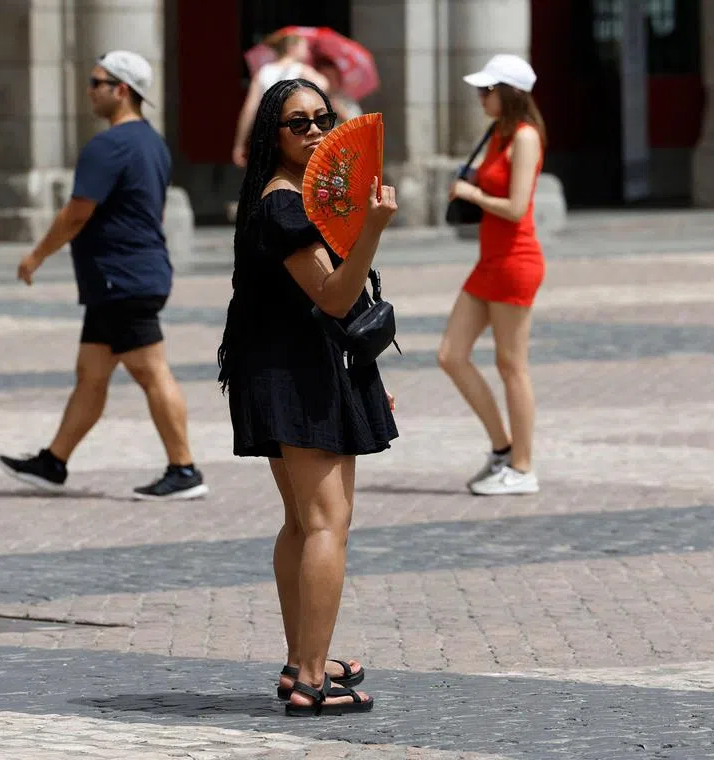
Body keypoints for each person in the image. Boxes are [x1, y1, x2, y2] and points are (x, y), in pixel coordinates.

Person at [217, 78, 398, 715]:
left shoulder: (292, 199)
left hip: (291, 365)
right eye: (299, 123)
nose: (316, 130)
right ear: (273, 133)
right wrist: (373, 227)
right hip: (295, 374)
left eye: (324, 117)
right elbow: (336, 297)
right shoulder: (284, 206)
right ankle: (314, 683)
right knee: (328, 523)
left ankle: (302, 659)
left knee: (301, 521)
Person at [0, 50, 207, 502]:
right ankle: (54, 462)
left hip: (122, 277)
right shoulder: (153, 143)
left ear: (122, 89)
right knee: (91, 372)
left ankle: (184, 469)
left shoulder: (109, 146)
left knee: (151, 371)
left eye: (97, 82)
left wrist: (35, 256)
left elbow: (77, 213)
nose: (90, 91)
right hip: (129, 274)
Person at [441, 54, 546, 496]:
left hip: (516, 260)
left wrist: (471, 192)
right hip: (489, 260)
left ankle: (523, 467)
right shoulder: (499, 134)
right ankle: (502, 448)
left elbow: (517, 207)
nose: (480, 97)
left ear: (510, 93)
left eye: (487, 90)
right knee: (450, 354)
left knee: (512, 366)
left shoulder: (524, 136)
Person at [232, 35, 328, 168]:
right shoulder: (301, 69)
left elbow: (249, 110)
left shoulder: (263, 71)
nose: (308, 52)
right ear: (292, 48)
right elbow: (324, 85)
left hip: (268, 134)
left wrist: (239, 144)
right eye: (305, 47)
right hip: (294, 134)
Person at [314, 57, 362, 122]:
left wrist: (342, 114)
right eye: (325, 77)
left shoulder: (347, 102)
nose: (329, 82)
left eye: (333, 78)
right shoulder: (310, 99)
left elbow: (359, 127)